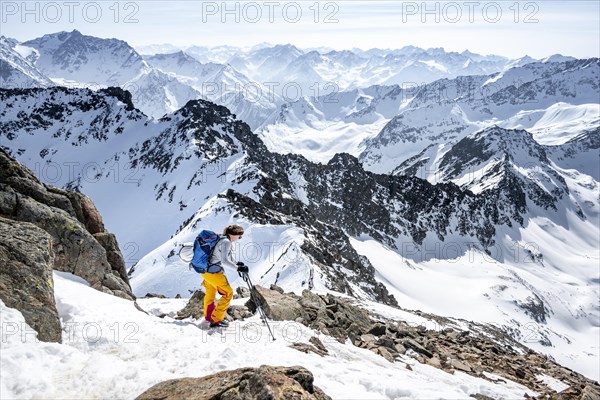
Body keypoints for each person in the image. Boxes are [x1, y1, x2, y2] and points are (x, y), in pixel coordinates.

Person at [202, 224, 248, 328]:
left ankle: (208, 316)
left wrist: (237, 263)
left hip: (205, 271)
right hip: (213, 272)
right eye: (240, 235)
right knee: (228, 293)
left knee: (210, 293)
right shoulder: (226, 242)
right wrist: (238, 268)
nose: (240, 238)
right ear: (234, 234)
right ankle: (216, 320)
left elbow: (229, 258)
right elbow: (224, 261)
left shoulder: (222, 239)